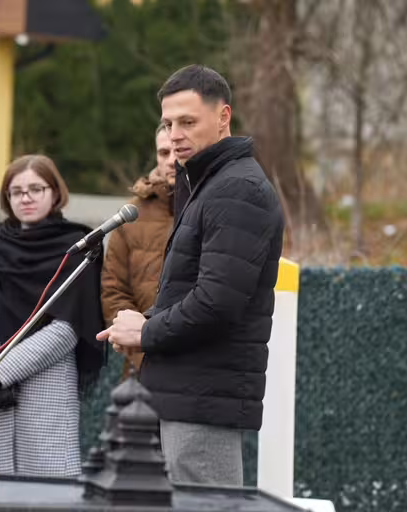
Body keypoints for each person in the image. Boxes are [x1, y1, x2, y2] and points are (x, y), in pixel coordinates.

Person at [97, 64, 284, 486]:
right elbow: (191, 292)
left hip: (203, 401)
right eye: (168, 124)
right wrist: (144, 322)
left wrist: (146, 331)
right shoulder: (206, 183)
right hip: (184, 394)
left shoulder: (237, 189)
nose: (174, 135)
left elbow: (217, 302)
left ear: (223, 116)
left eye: (187, 122)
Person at [0, 154, 105, 478]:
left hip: (46, 395)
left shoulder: (77, 249)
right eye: (16, 191)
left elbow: (67, 328)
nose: (26, 198)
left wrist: (1, 373)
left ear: (55, 192)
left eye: (36, 189)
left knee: (47, 494)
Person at [100, 123, 176, 376]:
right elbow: (113, 291)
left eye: (177, 150)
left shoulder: (214, 205)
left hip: (201, 365)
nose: (171, 160)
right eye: (164, 153)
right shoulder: (132, 214)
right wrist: (142, 347)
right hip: (143, 367)